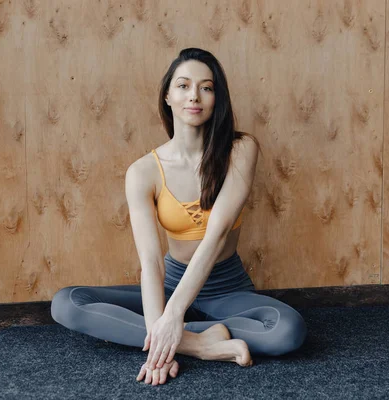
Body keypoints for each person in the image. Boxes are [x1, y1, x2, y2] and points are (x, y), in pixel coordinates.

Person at [51, 48, 307, 386]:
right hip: (170, 283)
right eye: (184, 86)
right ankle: (200, 343)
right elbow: (151, 263)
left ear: (217, 98)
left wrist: (173, 317)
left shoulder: (241, 150)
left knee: (288, 331)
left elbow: (216, 235)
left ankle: (172, 333)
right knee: (66, 303)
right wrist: (170, 328)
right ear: (168, 96)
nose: (194, 96)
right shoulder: (142, 172)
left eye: (206, 87)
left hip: (226, 288)